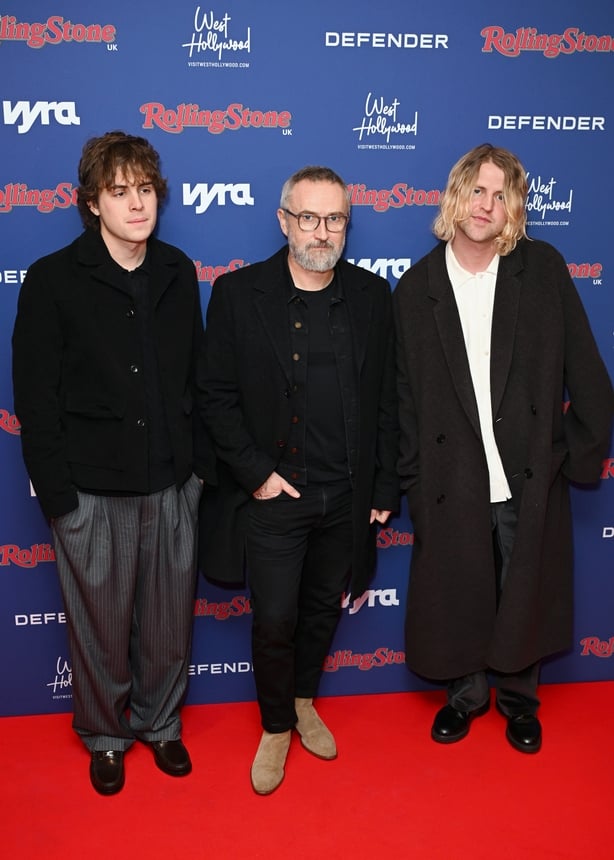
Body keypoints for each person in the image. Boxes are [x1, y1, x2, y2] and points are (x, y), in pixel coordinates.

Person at [393, 143, 614, 753]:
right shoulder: (416, 290)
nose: (486, 204)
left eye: (500, 194)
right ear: (456, 195)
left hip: (526, 470)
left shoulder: (540, 270)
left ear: (514, 207)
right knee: (460, 584)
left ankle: (519, 700)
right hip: (450, 474)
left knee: (524, 584)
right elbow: (404, 400)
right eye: (478, 190)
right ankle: (465, 696)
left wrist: (571, 456)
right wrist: (413, 479)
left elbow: (588, 374)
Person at [12, 131, 213, 794]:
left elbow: (197, 380)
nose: (136, 204)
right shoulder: (52, 280)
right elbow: (35, 400)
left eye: (145, 190)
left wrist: (198, 475)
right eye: (120, 192)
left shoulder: (178, 271)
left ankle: (160, 726)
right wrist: (60, 499)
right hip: (91, 491)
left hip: (171, 484)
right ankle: (104, 735)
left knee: (166, 623)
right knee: (98, 628)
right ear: (92, 203)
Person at [198, 165, 399, 794]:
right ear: (284, 221)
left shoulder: (372, 298)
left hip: (346, 493)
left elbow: (389, 399)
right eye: (308, 217)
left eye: (334, 218)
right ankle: (277, 725)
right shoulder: (237, 294)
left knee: (319, 611)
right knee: (275, 618)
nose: (322, 231)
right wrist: (257, 475)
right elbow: (214, 396)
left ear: (347, 224)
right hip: (276, 494)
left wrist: (383, 487)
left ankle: (306, 699)